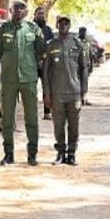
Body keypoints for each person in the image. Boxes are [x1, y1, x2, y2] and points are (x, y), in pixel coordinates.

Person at [0, 0, 44, 165]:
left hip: (28, 78)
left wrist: (30, 67)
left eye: (22, 8)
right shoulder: (2, 29)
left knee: (31, 118)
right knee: (7, 118)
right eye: (15, 8)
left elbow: (39, 51)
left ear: (26, 12)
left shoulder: (33, 29)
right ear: (10, 10)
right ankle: (8, 154)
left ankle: (32, 154)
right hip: (9, 79)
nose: (18, 11)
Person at [42, 15, 88, 165]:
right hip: (57, 94)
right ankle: (60, 153)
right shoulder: (51, 45)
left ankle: (72, 153)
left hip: (74, 92)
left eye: (66, 23)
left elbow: (84, 69)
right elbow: (46, 72)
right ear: (57, 26)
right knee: (58, 126)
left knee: (74, 126)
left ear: (69, 26)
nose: (63, 26)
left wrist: (84, 91)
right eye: (61, 23)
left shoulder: (77, 45)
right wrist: (46, 93)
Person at [34, 5, 55, 119]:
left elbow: (51, 45)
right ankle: (31, 112)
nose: (41, 16)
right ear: (35, 15)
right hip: (32, 64)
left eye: (43, 14)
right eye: (39, 14)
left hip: (46, 64)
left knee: (46, 87)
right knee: (32, 89)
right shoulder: (30, 28)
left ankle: (47, 112)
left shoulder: (48, 30)